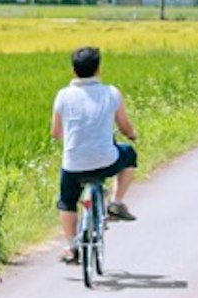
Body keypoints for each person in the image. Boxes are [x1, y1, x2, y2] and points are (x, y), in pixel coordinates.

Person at [51, 43, 140, 262]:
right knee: (129, 154)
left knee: (67, 201)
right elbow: (124, 126)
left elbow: (55, 133)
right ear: (98, 69)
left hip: (73, 163)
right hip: (107, 160)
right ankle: (116, 203)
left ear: (73, 70)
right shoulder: (111, 93)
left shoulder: (63, 95)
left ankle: (72, 247)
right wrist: (132, 136)